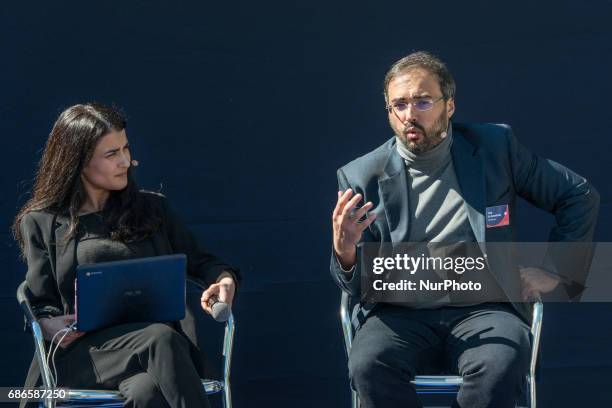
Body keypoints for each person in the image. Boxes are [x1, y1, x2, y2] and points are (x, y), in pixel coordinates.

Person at [330, 51, 599, 407]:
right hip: (399, 312)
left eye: (423, 101)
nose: (410, 114)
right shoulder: (361, 175)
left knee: (500, 363)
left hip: (485, 308)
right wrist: (345, 252)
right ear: (388, 110)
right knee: (368, 365)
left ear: (449, 106)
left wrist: (556, 270)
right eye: (399, 104)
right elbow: (358, 284)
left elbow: (578, 195)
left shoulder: (494, 148)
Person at [13, 103, 240, 408]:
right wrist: (47, 322)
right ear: (77, 162)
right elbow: (40, 302)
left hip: (157, 355)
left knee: (147, 392)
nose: (126, 161)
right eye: (111, 154)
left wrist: (224, 279)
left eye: (126, 148)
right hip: (87, 355)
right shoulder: (43, 222)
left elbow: (203, 263)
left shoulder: (152, 209)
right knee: (161, 338)